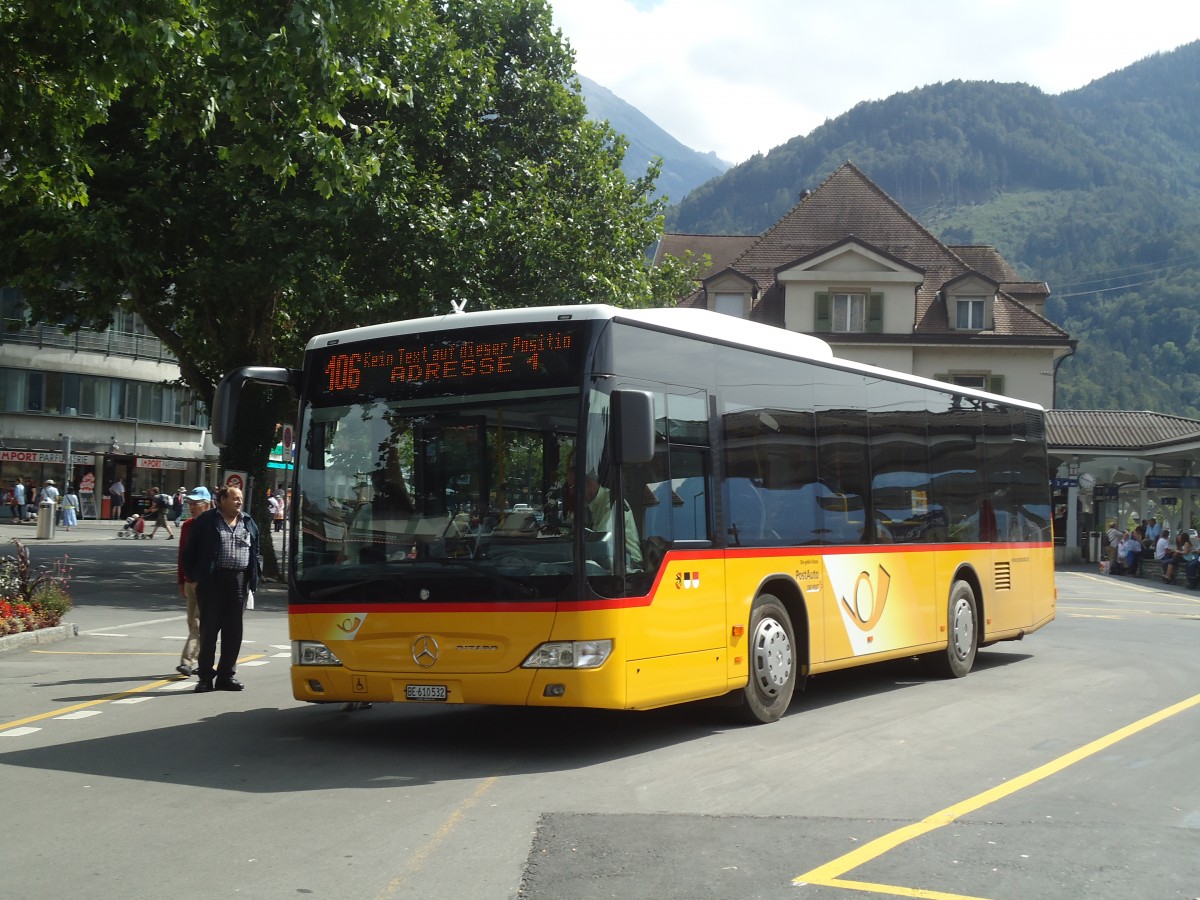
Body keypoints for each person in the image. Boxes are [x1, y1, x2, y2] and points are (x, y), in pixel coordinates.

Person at [181, 485, 260, 692]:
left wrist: (254, 578)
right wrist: (194, 578)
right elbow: (189, 553)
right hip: (212, 581)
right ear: (222, 499)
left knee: (234, 631)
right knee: (209, 631)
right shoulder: (206, 521)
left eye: (240, 498)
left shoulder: (248, 522)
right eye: (234, 498)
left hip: (239, 581)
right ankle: (205, 677)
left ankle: (226, 676)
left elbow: (256, 551)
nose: (239, 502)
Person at [175, 487, 213, 678]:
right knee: (192, 621)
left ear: (207, 504)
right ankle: (202, 660)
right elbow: (182, 555)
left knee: (197, 623)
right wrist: (181, 580)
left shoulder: (215, 523)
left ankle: (187, 661)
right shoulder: (188, 525)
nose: (191, 507)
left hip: (207, 583)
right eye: (189, 503)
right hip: (190, 582)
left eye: (195, 503)